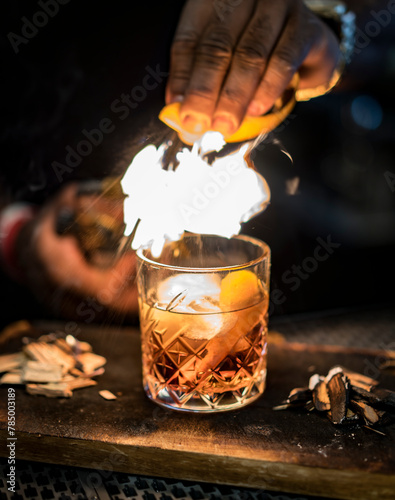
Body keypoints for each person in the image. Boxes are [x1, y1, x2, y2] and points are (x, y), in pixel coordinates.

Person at [0, 1, 391, 324]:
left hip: (281, 255)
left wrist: (323, 24)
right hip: (34, 315)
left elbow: (365, 36)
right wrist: (14, 232)